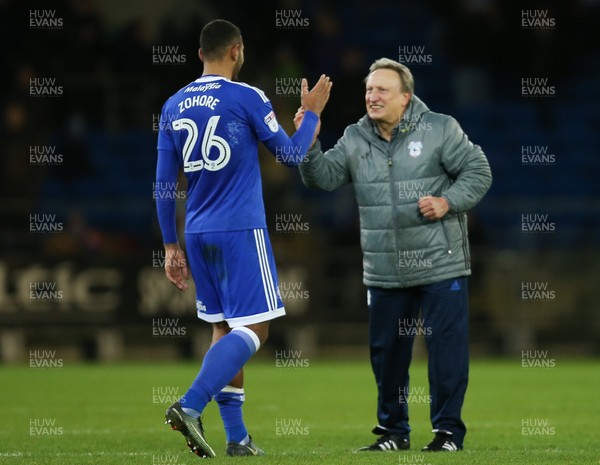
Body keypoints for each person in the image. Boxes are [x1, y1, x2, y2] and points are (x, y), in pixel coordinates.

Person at [295, 58, 491, 452]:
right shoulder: (354, 137)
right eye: (369, 90)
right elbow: (322, 178)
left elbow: (478, 170)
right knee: (387, 357)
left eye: (382, 90)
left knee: (445, 353)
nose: (373, 96)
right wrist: (309, 137)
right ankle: (393, 433)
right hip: (385, 269)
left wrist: (447, 201)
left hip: (440, 263)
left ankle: (448, 433)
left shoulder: (440, 128)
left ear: (406, 97)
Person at [155, 19, 331, 458]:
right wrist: (311, 116)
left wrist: (169, 245)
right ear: (236, 51)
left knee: (223, 329)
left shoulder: (174, 104)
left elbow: (162, 183)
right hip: (238, 230)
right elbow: (290, 155)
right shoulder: (247, 96)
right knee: (256, 329)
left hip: (195, 232)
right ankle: (191, 405)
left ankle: (237, 440)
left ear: (200, 54)